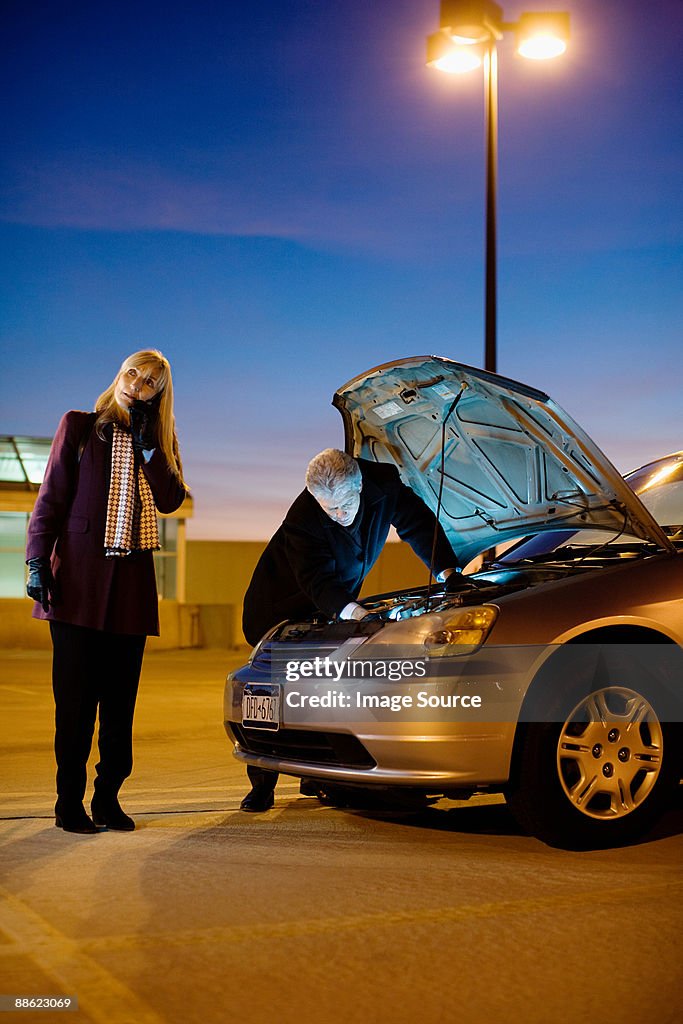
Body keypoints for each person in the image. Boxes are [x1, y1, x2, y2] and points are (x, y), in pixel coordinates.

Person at [240, 448, 460, 811]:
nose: (338, 516)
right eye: (329, 508)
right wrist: (358, 614)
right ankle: (261, 783)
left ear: (359, 485)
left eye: (344, 504)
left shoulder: (385, 484)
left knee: (324, 694)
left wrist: (447, 572)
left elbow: (418, 523)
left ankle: (318, 773)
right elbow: (317, 581)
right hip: (280, 607)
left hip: (334, 604)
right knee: (270, 699)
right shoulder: (303, 518)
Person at [26, 349, 187, 835]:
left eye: (150, 381)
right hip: (75, 586)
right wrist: (36, 558)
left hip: (129, 594)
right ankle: (67, 803)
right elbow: (50, 498)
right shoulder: (80, 427)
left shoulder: (159, 441)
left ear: (158, 393)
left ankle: (108, 798)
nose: (137, 383)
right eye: (132, 373)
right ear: (119, 376)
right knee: (74, 706)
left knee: (119, 709)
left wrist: (149, 448)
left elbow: (172, 500)